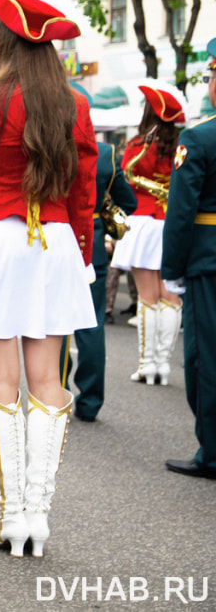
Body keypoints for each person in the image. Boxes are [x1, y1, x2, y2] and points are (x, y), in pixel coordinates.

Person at [0, 0, 97, 559]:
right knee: (48, 379)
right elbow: (84, 187)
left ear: (5, 41)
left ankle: (12, 519)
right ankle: (39, 516)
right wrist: (80, 250)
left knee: (1, 379)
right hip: (54, 240)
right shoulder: (75, 103)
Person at [161, 44, 216, 479]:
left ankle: (212, 452)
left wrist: (172, 269)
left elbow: (180, 213)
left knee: (206, 361)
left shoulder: (199, 138)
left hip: (208, 262)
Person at [112, 86, 185, 385]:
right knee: (170, 296)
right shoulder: (183, 145)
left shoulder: (137, 145)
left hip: (143, 222)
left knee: (148, 297)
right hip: (171, 221)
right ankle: (163, 366)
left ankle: (147, 365)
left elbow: (126, 183)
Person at [72, 131, 136, 422]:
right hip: (93, 243)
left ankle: (50, 396)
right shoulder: (106, 154)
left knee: (52, 325)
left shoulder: (43, 144)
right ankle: (90, 403)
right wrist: (103, 210)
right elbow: (129, 202)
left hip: (52, 239)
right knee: (92, 326)